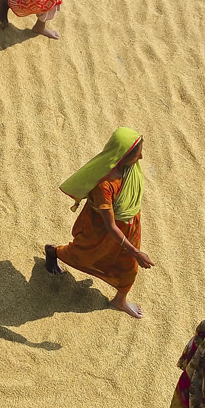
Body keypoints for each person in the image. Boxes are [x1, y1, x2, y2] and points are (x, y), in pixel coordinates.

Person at [44, 128, 153, 318]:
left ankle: (120, 300)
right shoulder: (105, 185)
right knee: (82, 254)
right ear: (122, 156)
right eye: (137, 154)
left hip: (130, 225)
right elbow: (110, 225)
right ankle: (53, 251)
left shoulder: (129, 167)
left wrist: (133, 252)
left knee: (129, 266)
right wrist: (136, 252)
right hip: (101, 230)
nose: (141, 157)